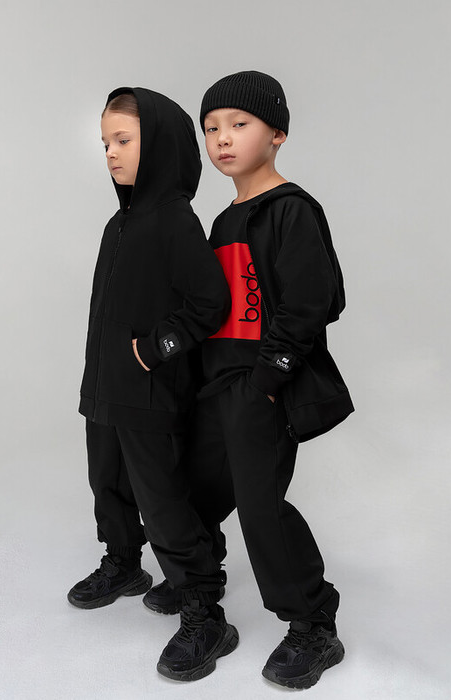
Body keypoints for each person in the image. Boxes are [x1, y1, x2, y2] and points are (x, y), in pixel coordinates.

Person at [144, 71, 354, 689]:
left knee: (260, 508)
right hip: (213, 383)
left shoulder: (291, 210)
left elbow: (314, 301)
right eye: (211, 128)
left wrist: (269, 377)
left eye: (239, 124)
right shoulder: (222, 221)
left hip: (259, 386)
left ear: (277, 134)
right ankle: (198, 591)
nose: (223, 139)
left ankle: (313, 624)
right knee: (191, 492)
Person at [69, 86, 238, 678]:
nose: (111, 153)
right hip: (105, 389)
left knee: (162, 502)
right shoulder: (119, 224)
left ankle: (204, 613)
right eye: (105, 143)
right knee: (107, 482)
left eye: (123, 140)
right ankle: (123, 563)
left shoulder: (173, 220)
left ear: (159, 144)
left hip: (148, 391)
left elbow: (210, 302)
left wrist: (155, 349)